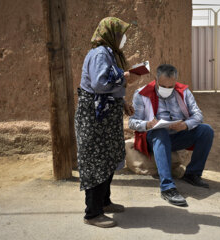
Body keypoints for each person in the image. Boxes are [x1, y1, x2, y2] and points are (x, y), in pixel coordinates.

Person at [75, 17, 137, 228]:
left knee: (108, 157)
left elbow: (109, 88)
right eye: (120, 34)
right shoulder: (100, 53)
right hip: (94, 119)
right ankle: (92, 213)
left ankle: (104, 202)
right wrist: (125, 76)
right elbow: (100, 84)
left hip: (105, 116)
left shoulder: (111, 53)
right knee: (96, 161)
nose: (123, 38)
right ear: (110, 34)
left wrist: (123, 103)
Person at [129, 64, 214, 206]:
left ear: (175, 82)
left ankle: (192, 173)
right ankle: (167, 187)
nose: (167, 90)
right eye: (163, 86)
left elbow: (198, 115)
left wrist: (185, 125)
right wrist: (148, 124)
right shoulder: (141, 94)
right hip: (153, 138)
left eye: (171, 87)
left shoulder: (183, 91)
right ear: (156, 80)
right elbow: (132, 122)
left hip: (177, 135)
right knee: (160, 132)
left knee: (206, 130)